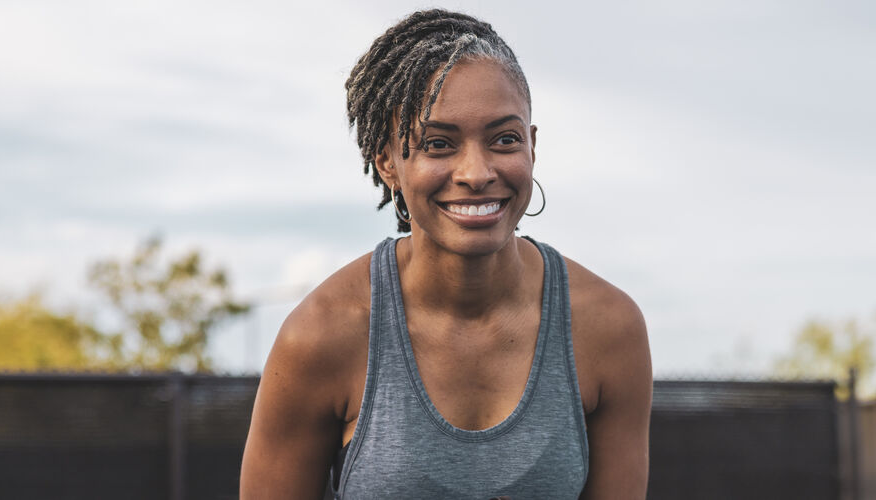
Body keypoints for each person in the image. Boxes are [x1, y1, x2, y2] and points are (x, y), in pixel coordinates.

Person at [240, 9, 652, 499]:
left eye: (504, 139)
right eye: (438, 144)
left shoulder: (607, 328)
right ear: (387, 161)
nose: (476, 173)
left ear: (532, 146)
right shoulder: (321, 335)